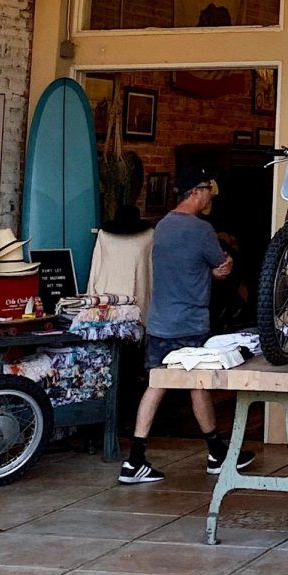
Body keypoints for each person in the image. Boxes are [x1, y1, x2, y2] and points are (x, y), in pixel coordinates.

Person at [119, 166, 255, 484]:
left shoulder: (162, 227)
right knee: (199, 385)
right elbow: (220, 264)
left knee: (156, 386)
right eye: (207, 189)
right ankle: (216, 453)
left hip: (160, 322)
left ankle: (134, 460)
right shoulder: (201, 230)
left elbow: (184, 270)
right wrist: (223, 269)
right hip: (190, 323)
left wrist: (206, 274)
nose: (210, 196)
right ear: (195, 192)